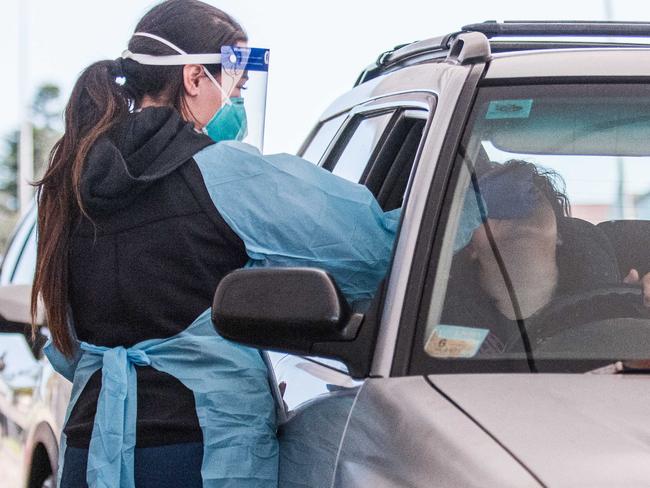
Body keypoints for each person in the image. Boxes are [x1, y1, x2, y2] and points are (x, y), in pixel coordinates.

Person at [30, 2, 397, 487]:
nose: (240, 101)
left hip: (90, 451)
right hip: (202, 456)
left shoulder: (69, 183)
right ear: (195, 78)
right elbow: (373, 248)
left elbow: (65, 345)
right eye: (238, 85)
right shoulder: (223, 172)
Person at [441, 159, 639, 353]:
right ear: (468, 245)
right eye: (492, 200)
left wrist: (633, 313)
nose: (516, 205)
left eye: (533, 196)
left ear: (560, 234)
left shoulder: (613, 313)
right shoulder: (433, 321)